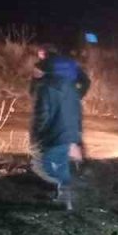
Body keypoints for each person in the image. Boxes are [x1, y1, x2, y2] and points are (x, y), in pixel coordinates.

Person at [30, 46, 90, 210]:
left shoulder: (42, 70)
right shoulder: (70, 64)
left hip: (54, 103)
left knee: (42, 164)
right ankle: (71, 181)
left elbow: (40, 111)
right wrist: (77, 96)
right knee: (66, 146)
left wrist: (36, 136)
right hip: (70, 101)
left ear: (45, 54)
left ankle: (66, 185)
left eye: (41, 54)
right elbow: (86, 81)